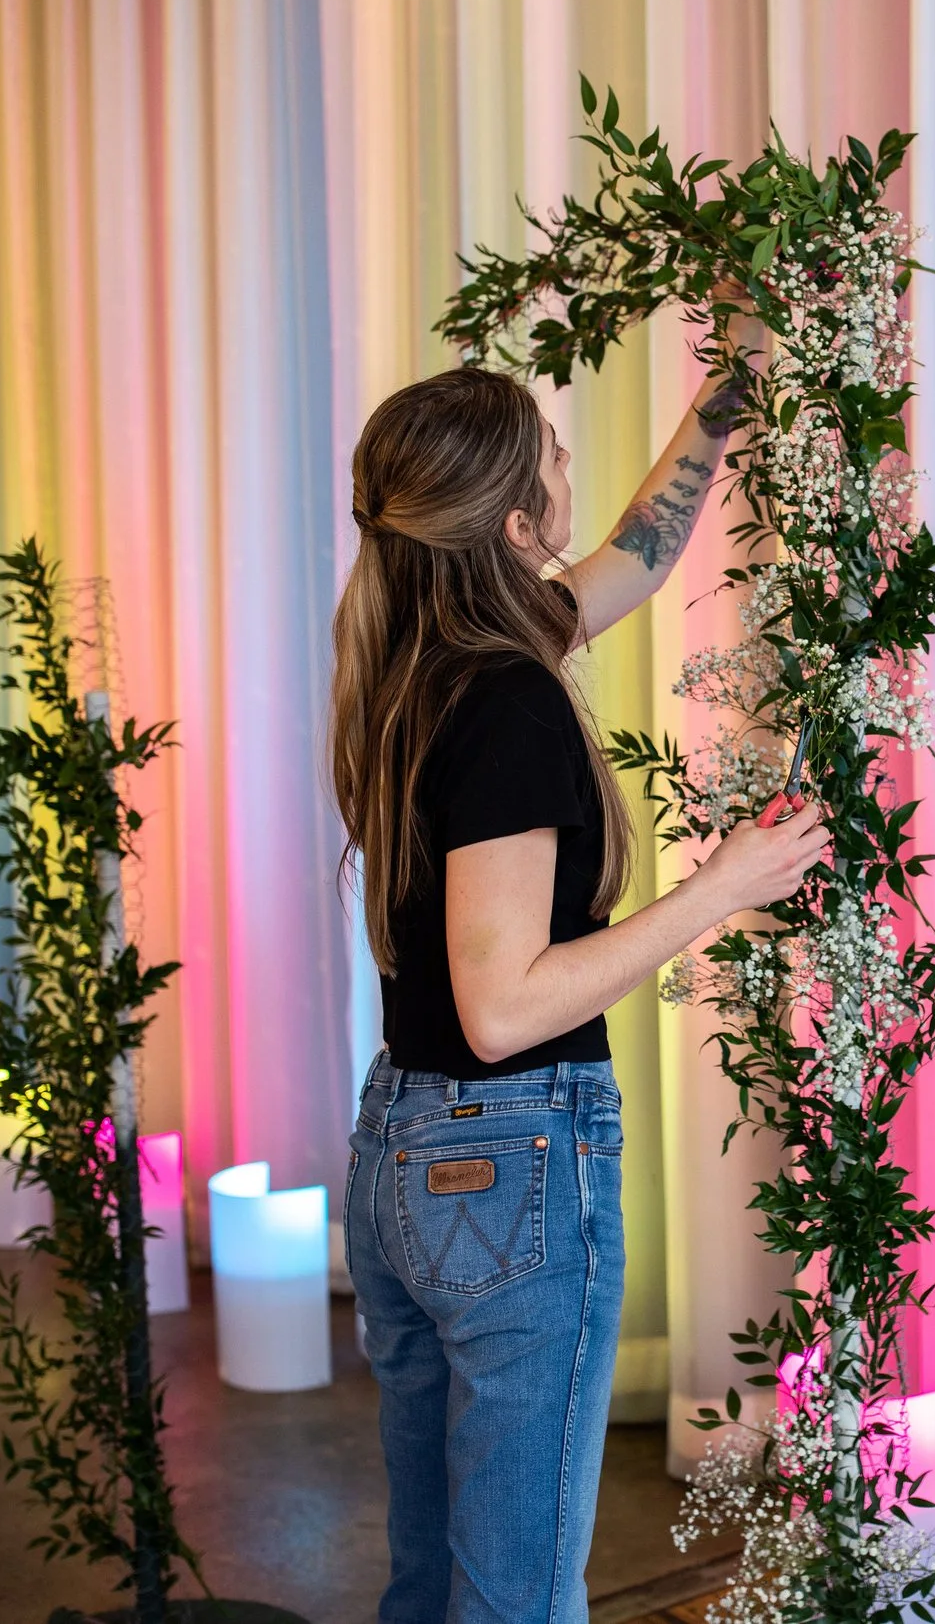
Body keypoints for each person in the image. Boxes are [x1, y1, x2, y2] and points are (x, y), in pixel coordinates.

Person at [327, 338, 825, 1624]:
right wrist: (719, 888)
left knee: (437, 1574)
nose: (570, 460)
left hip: (406, 1153)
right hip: (503, 1167)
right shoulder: (506, 698)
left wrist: (730, 387)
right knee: (514, 1597)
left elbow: (643, 548)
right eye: (550, 448)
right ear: (508, 520)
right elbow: (504, 1006)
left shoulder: (419, 657)